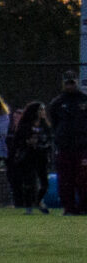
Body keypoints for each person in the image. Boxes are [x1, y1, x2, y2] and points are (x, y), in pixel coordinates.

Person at [52, 73, 87, 216]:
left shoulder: (84, 100)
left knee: (83, 179)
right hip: (64, 147)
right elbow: (55, 123)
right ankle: (69, 208)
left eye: (72, 83)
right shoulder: (57, 102)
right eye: (67, 83)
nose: (70, 86)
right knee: (66, 180)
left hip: (82, 147)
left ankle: (84, 207)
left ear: (76, 83)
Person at [9, 100, 52, 211]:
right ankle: (28, 206)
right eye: (40, 109)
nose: (43, 112)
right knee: (28, 182)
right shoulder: (25, 126)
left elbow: (49, 140)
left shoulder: (45, 126)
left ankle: (37, 201)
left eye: (43, 109)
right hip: (28, 157)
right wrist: (26, 142)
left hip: (41, 157)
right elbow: (17, 142)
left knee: (44, 184)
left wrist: (44, 145)